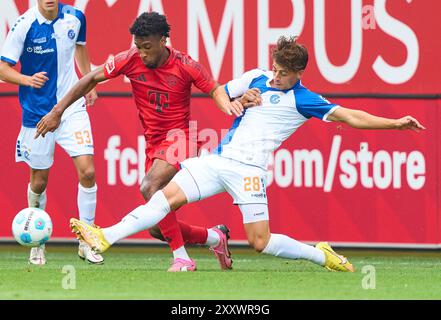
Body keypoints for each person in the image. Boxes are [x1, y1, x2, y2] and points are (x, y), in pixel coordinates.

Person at [68, 35, 426, 272]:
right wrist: (240, 100)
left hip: (250, 172)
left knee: (260, 242)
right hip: (219, 160)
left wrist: (395, 124)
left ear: (298, 74)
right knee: (163, 199)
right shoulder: (256, 77)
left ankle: (322, 256)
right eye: (274, 68)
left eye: (283, 73)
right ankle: (105, 235)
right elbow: (223, 91)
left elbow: (352, 117)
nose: (275, 76)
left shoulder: (305, 100)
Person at [34, 11, 253, 272]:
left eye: (147, 47)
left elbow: (215, 89)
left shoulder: (185, 65)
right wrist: (57, 112)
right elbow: (91, 77)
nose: (143, 53)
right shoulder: (130, 59)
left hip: (181, 139)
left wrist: (228, 105)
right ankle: (216, 237)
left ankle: (182, 259)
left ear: (164, 40)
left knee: (149, 186)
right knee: (157, 227)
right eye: (138, 47)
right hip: (154, 145)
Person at [0, 0, 102, 265]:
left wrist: (87, 79)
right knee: (39, 182)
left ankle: (87, 240)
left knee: (88, 171)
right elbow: (2, 68)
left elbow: (79, 47)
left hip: (71, 107)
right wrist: (26, 80)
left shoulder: (75, 17)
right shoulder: (24, 26)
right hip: (38, 114)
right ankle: (37, 241)